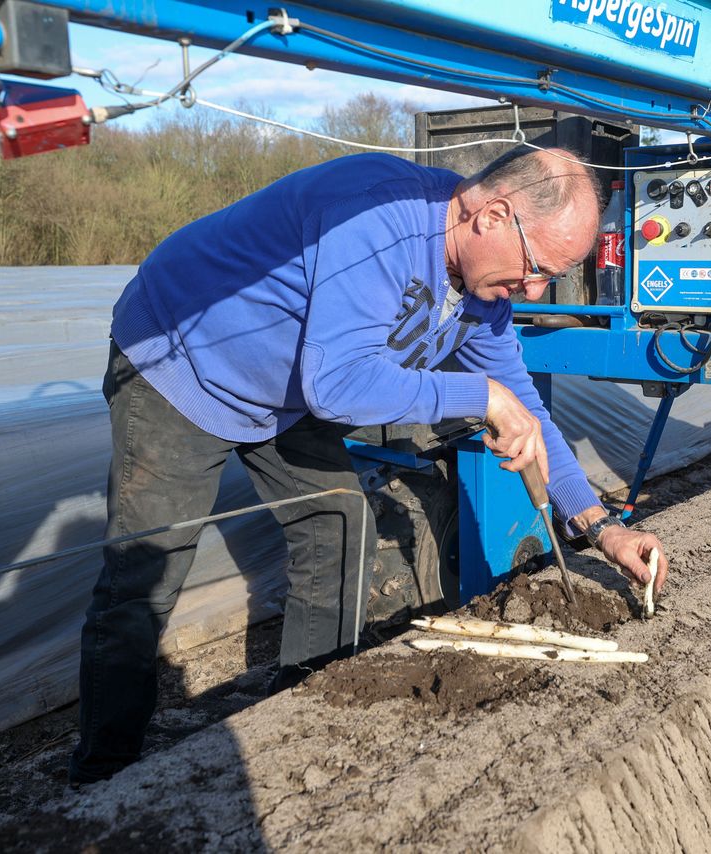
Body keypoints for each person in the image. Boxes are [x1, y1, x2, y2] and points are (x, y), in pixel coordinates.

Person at [68, 146, 670, 784]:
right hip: (180, 363)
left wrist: (603, 528)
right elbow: (337, 386)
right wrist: (480, 396)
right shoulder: (377, 217)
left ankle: (298, 716)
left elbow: (525, 410)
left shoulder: (484, 295)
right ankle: (102, 779)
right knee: (148, 569)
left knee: (340, 523)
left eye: (553, 275)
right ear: (492, 215)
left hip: (284, 392)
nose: (534, 290)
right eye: (535, 268)